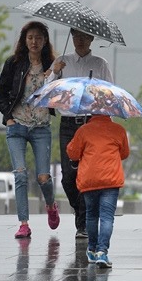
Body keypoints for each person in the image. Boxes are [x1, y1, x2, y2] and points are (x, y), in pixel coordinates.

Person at [45, 28, 113, 240]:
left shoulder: (100, 64)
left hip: (91, 123)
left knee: (87, 173)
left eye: (84, 36)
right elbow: (47, 92)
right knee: (68, 176)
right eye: (76, 36)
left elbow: (109, 93)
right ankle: (80, 209)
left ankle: (82, 223)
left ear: (92, 38)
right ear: (72, 38)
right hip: (68, 124)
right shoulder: (62, 61)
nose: (80, 40)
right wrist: (55, 71)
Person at [0, 21, 61, 239]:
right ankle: (24, 223)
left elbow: (60, 96)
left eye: (39, 38)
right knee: (21, 175)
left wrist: (56, 75)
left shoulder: (52, 65)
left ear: (45, 41)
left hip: (41, 127)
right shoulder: (14, 63)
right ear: (24, 40)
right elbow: (1, 94)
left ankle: (51, 205)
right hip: (17, 126)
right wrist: (8, 118)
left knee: (43, 177)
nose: (34, 42)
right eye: (31, 37)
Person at [66, 114, 129, 268]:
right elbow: (125, 153)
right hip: (110, 180)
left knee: (91, 216)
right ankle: (102, 252)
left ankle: (92, 250)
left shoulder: (83, 130)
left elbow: (72, 153)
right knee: (107, 218)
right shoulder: (118, 130)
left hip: (90, 180)